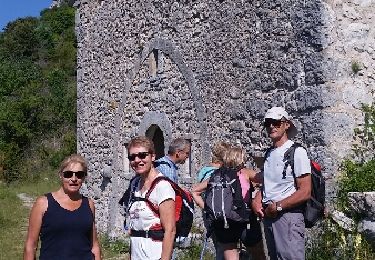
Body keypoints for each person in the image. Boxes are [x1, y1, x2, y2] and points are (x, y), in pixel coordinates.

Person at [252, 107, 312, 260]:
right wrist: (258, 198)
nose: (271, 126)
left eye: (276, 122)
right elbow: (271, 183)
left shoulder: (297, 152)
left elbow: (305, 191)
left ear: (287, 125)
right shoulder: (269, 153)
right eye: (268, 123)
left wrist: (278, 206)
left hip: (288, 216)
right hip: (270, 215)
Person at [23, 154, 101, 260]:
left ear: (84, 178)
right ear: (61, 175)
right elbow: (31, 246)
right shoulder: (43, 203)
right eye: (68, 174)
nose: (74, 179)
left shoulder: (89, 204)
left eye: (79, 174)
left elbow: (94, 245)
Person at [126, 136, 176, 260]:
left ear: (153, 156)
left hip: (155, 255)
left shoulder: (163, 186)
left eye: (142, 155)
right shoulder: (134, 184)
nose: (137, 160)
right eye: (132, 157)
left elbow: (170, 230)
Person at [192, 141, 231, 260]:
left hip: (207, 212)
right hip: (219, 212)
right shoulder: (217, 174)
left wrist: (206, 208)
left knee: (217, 243)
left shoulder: (204, 171)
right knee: (224, 246)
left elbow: (197, 192)